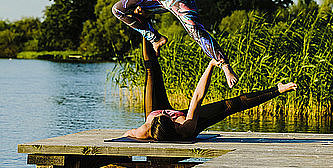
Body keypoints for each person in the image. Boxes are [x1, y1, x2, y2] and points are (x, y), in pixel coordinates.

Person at [122, 38, 297, 141]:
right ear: (173, 123)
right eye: (166, 116)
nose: (167, 113)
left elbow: (126, 135)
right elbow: (197, 97)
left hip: (162, 113)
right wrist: (211, 65)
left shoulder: (143, 130)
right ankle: (278, 90)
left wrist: (211, 65)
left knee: (151, 71)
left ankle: (143, 25)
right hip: (187, 120)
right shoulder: (186, 127)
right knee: (229, 106)